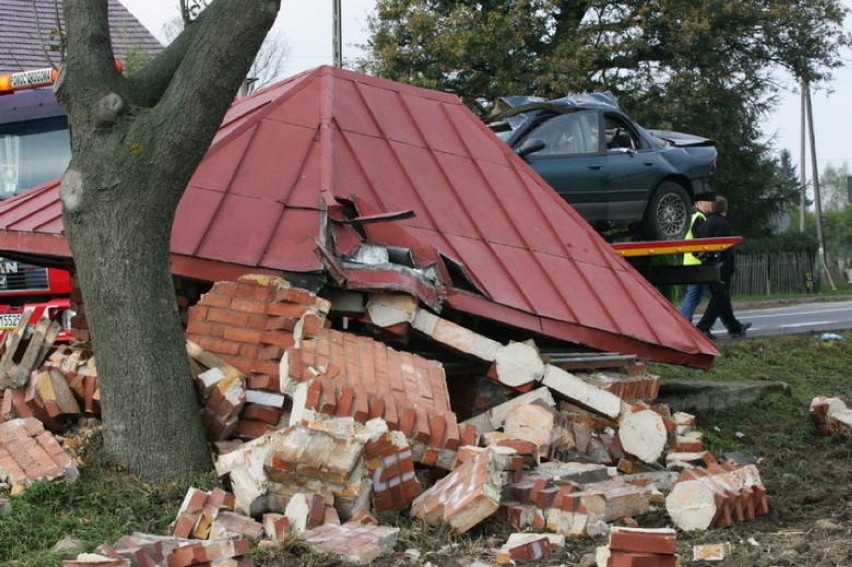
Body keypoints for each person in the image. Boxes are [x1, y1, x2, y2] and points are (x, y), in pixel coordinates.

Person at [694, 196, 752, 339]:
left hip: (707, 266)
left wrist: (703, 257)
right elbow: (724, 246)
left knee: (722, 298)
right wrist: (727, 264)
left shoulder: (705, 224)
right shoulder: (723, 224)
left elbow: (696, 247)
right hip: (721, 266)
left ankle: (735, 328)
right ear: (725, 208)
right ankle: (702, 328)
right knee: (719, 298)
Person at [679, 192, 715, 322]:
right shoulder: (700, 218)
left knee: (695, 295)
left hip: (690, 262)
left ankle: (684, 322)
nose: (711, 203)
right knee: (715, 295)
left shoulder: (693, 217)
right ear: (699, 203)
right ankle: (729, 323)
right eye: (708, 201)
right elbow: (699, 242)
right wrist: (705, 257)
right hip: (698, 263)